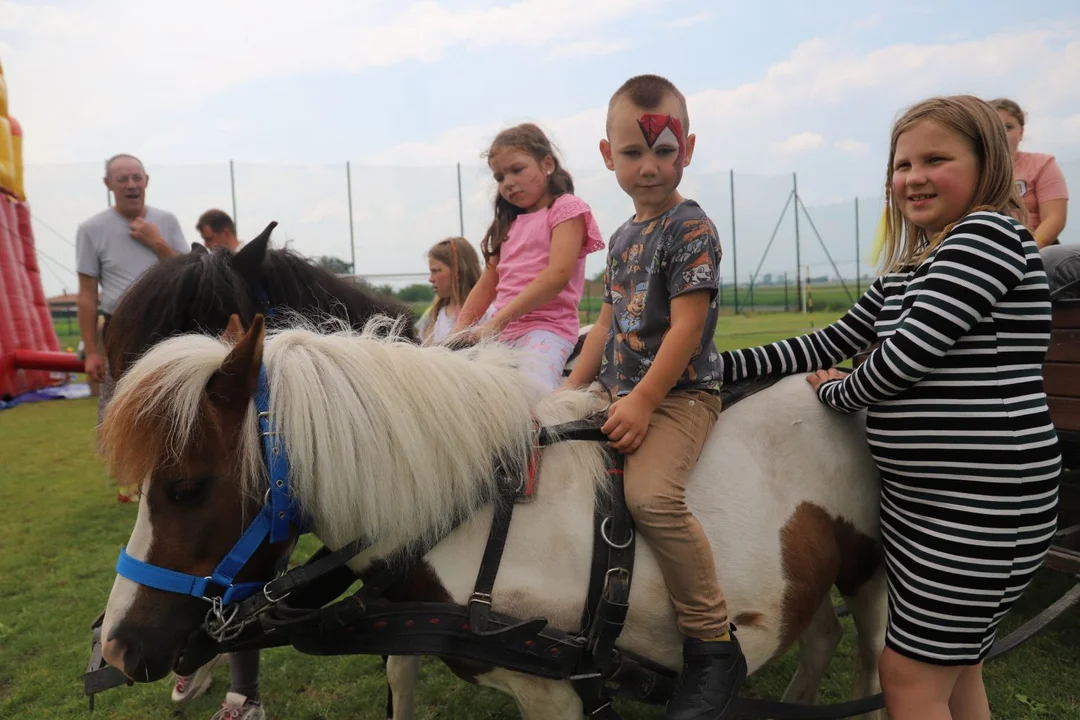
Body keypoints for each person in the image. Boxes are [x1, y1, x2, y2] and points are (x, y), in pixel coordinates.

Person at [717, 95, 1061, 720]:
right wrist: (712, 367)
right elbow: (830, 340)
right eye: (902, 164)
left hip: (982, 499)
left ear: (987, 165)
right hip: (928, 503)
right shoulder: (911, 266)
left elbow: (905, 357)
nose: (914, 176)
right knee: (955, 673)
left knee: (906, 675)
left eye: (936, 158)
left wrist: (837, 392)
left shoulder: (989, 236)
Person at [565, 74, 745, 720]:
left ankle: (712, 645)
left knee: (651, 498)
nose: (649, 167)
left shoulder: (690, 228)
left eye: (664, 151)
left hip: (679, 396)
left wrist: (641, 402)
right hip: (618, 389)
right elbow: (607, 323)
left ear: (688, 149)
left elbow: (688, 327)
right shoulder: (619, 238)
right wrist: (569, 388)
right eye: (634, 153)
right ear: (608, 155)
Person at [171, 207, 265, 720]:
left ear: (221, 236)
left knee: (241, 555)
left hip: (247, 428)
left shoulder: (244, 279)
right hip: (212, 423)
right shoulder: (205, 288)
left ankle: (240, 688)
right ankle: (195, 649)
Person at [452, 123, 605, 392]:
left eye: (517, 170)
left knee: (529, 395)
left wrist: (495, 323)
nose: (507, 183)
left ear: (547, 164)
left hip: (547, 330)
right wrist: (459, 332)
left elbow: (556, 275)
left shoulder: (566, 208)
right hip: (500, 334)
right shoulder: (506, 223)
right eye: (499, 177)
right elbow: (488, 284)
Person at [75, 153, 188, 502]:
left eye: (137, 177)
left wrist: (156, 241)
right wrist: (92, 350)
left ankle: (178, 473)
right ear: (108, 185)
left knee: (173, 402)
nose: (131, 184)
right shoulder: (91, 230)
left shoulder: (166, 222)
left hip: (167, 327)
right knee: (119, 406)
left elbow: (188, 272)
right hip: (120, 330)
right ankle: (131, 481)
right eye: (122, 178)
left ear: (147, 181)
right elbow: (87, 295)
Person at [991, 98, 1069, 248]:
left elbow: (1055, 217)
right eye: (994, 128)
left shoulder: (1042, 164)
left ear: (1021, 131)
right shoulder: (974, 171)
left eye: (1008, 127)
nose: (1001, 133)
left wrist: (1027, 253)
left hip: (1038, 248)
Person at [416, 236, 490, 344]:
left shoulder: (489, 313)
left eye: (436, 271)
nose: (431, 279)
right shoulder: (432, 315)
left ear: (457, 271)